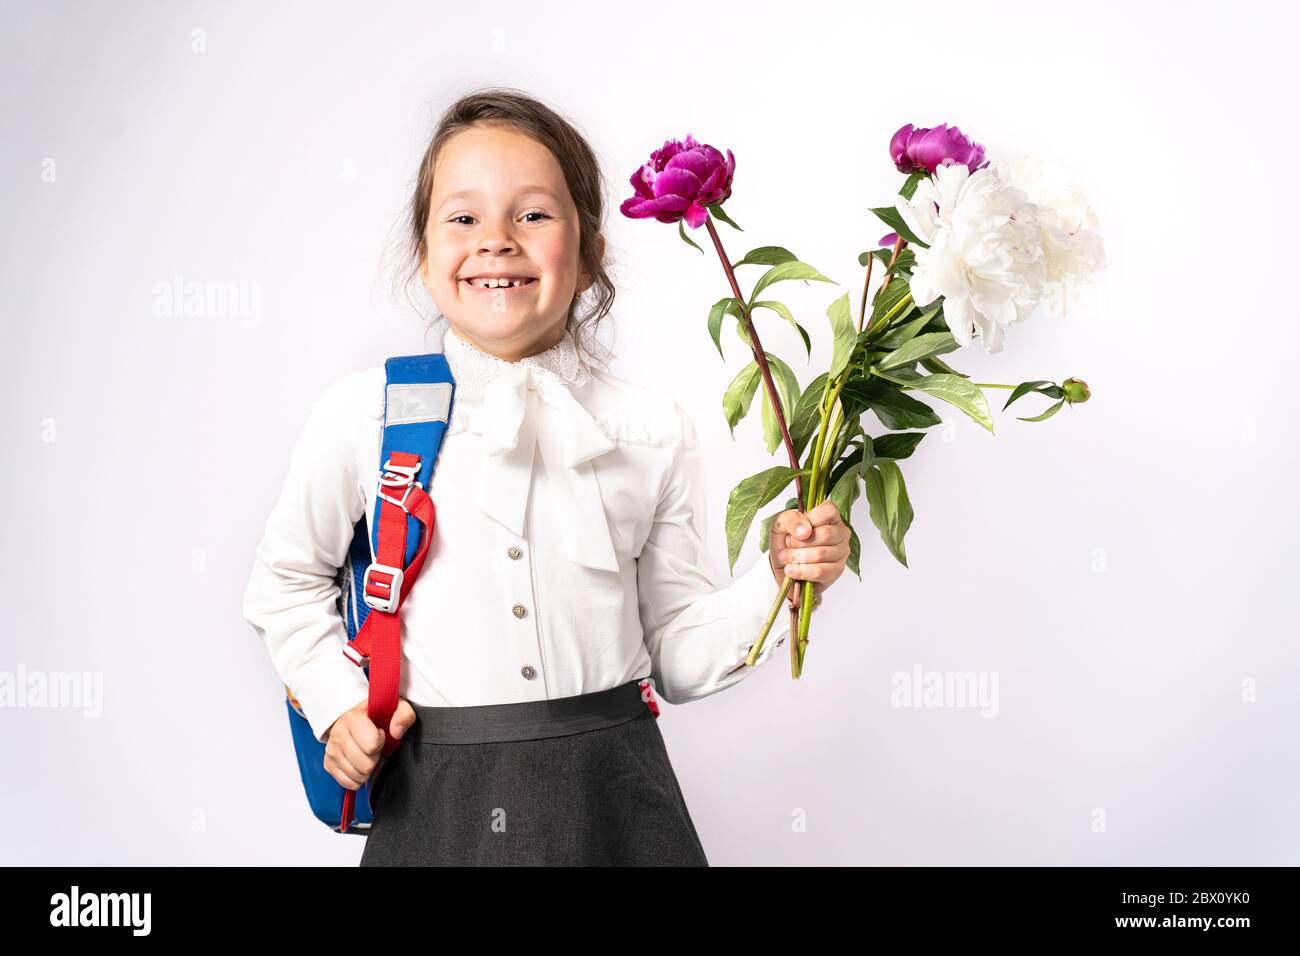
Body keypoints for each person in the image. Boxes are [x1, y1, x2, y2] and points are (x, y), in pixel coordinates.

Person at [241, 87, 851, 866]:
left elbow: (677, 658)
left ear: (591, 252)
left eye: (532, 214)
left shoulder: (652, 428)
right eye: (463, 218)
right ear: (424, 254)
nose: (497, 240)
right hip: (438, 805)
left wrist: (779, 578)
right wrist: (338, 707)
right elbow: (285, 583)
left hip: (618, 805)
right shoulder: (365, 414)